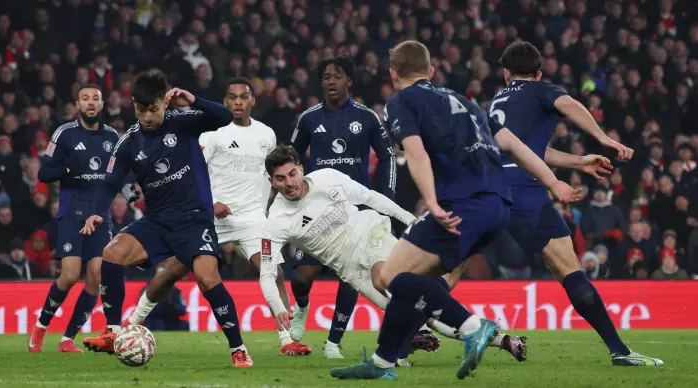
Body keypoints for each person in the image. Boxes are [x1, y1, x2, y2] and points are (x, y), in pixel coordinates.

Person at [331, 40, 580, 381]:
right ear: (431, 71)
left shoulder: (401, 101)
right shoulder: (463, 101)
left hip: (462, 203)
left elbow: (416, 155)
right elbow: (513, 144)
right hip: (498, 206)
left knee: (390, 277)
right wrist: (554, 184)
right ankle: (383, 361)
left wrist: (431, 203)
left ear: (392, 74)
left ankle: (474, 327)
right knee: (412, 280)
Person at [260, 146, 526, 366]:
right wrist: (279, 307)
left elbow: (372, 198)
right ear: (272, 182)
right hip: (350, 269)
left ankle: (408, 339)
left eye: (292, 174)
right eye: (280, 179)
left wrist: (410, 221)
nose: (289, 183)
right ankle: (503, 340)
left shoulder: (328, 177)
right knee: (423, 312)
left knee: (383, 279)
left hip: (370, 233)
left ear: (300, 169)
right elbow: (267, 274)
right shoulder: (276, 221)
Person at [488, 41, 662, 366]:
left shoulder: (495, 102)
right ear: (538, 73)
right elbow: (569, 105)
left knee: (446, 271)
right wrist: (604, 139)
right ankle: (619, 350)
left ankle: (399, 344)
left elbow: (525, 151)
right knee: (569, 269)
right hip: (525, 192)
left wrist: (578, 162)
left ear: (505, 73)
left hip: (485, 189)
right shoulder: (541, 90)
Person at [124, 77, 311, 356]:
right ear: (225, 102)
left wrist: (269, 212)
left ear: (252, 101)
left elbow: (269, 176)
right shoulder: (212, 134)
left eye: (243, 96)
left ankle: (287, 340)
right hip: (208, 215)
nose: (237, 101)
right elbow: (190, 168)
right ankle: (134, 320)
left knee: (273, 271)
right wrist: (211, 203)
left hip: (251, 218)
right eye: (232, 97)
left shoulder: (266, 135)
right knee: (175, 270)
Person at [79, 71, 253, 367]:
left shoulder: (183, 122)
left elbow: (225, 117)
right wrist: (97, 211)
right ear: (133, 104)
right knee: (112, 253)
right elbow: (110, 183)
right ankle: (113, 331)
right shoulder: (128, 143)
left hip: (194, 218)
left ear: (164, 102)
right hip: (158, 222)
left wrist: (193, 100)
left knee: (207, 278)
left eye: (154, 109)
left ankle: (238, 348)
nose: (148, 117)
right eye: (141, 110)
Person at [288, 57, 396, 358]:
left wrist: (384, 199)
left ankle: (333, 343)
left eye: (337, 76)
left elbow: (387, 156)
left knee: (352, 276)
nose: (331, 81)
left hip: (354, 212)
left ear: (349, 81)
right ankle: (302, 307)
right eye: (326, 77)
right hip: (317, 211)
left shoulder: (368, 118)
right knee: (303, 276)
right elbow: (289, 158)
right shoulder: (309, 119)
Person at [27, 84, 119, 353]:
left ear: (102, 105)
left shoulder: (112, 136)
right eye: (85, 98)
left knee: (96, 275)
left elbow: (119, 174)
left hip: (100, 216)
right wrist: (68, 168)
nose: (90, 103)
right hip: (72, 213)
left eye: (95, 99)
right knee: (68, 276)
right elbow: (44, 173)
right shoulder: (65, 134)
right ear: (77, 105)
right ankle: (40, 327)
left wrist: (129, 190)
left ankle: (68, 338)